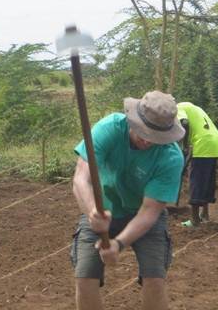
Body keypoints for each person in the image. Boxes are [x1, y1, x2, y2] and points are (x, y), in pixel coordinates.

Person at [71, 90, 185, 310]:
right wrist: (93, 211)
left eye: (155, 136)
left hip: (143, 218)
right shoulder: (110, 129)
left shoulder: (170, 158)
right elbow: (80, 178)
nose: (147, 140)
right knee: (85, 278)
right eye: (143, 132)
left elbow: (149, 211)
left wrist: (119, 243)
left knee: (155, 280)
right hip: (101, 209)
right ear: (133, 119)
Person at [177, 102, 218, 227]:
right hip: (215, 142)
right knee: (207, 181)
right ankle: (205, 215)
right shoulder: (195, 108)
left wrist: (185, 145)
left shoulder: (177, 108)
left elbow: (184, 123)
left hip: (202, 143)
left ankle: (194, 220)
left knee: (196, 181)